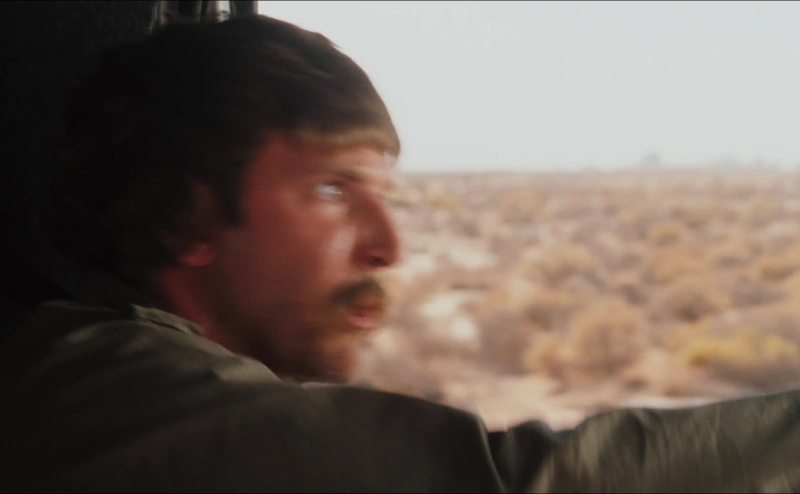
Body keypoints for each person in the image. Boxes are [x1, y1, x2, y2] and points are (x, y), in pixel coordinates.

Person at [2, 13, 800, 492]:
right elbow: (514, 484)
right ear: (187, 217)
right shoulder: (96, 390)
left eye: (384, 194)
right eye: (331, 189)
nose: (389, 246)